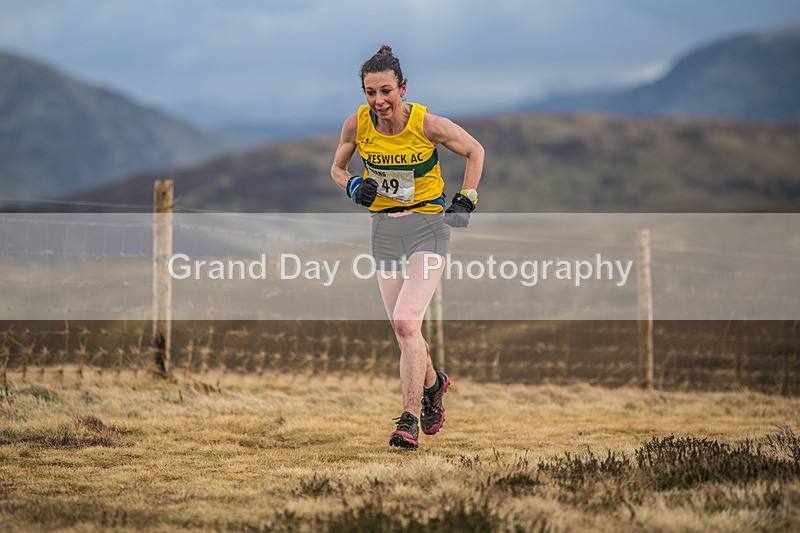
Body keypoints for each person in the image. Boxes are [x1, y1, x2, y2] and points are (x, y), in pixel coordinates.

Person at [330, 45, 484, 449]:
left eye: (385, 91)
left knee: (404, 322)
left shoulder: (427, 123)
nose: (378, 101)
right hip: (384, 231)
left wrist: (467, 197)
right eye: (369, 92)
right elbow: (337, 167)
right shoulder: (356, 125)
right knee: (405, 332)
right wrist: (351, 185)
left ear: (402, 87)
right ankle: (434, 386)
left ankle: (408, 420)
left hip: (428, 227)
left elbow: (474, 150)